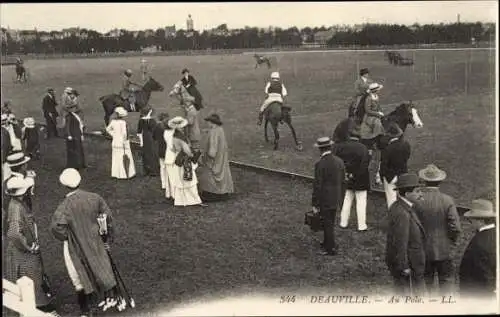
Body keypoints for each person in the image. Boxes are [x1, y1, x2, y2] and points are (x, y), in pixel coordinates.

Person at [51, 168, 119, 316]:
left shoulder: (64, 207)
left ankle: (87, 307)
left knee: (78, 273)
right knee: (101, 265)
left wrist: (70, 236)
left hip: (76, 245)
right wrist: (105, 235)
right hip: (96, 240)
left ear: (64, 185)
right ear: (79, 181)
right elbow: (107, 217)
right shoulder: (95, 198)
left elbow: (56, 228)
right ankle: (109, 296)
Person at [4, 175, 59, 316]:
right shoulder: (16, 208)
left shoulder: (15, 204)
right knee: (31, 275)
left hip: (22, 250)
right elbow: (14, 233)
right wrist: (28, 247)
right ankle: (39, 306)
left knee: (33, 275)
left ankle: (38, 303)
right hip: (23, 254)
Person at [412, 164, 462, 295]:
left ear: (423, 180)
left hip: (422, 249)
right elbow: (455, 227)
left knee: (425, 283)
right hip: (444, 249)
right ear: (440, 181)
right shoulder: (447, 200)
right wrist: (452, 241)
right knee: (446, 283)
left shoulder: (416, 200)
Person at [385, 173, 426, 296]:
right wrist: (404, 266)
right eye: (417, 191)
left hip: (412, 264)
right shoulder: (402, 213)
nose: (421, 194)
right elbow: (400, 243)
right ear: (407, 194)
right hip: (410, 266)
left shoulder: (401, 206)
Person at [311, 136, 345, 256]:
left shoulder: (320, 164)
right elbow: (343, 181)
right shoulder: (339, 161)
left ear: (320, 149)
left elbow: (318, 185)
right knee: (330, 221)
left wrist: (315, 203)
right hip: (336, 197)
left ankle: (330, 248)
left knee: (327, 223)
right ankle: (327, 242)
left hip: (325, 198)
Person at [335, 125, 371, 231]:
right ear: (359, 137)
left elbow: (338, 162)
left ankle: (343, 222)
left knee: (347, 200)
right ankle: (361, 225)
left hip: (346, 177)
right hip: (361, 178)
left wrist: (347, 174)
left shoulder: (341, 147)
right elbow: (365, 164)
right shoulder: (363, 148)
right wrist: (355, 174)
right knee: (361, 202)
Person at [459, 199, 496, 300]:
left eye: (471, 220)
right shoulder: (495, 234)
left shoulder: (479, 243)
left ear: (480, 221)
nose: (470, 224)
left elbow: (483, 274)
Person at [167, 116, 204, 207]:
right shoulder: (181, 138)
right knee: (189, 180)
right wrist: (194, 155)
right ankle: (194, 200)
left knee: (181, 179)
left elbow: (172, 148)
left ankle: (181, 200)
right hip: (185, 159)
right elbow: (187, 151)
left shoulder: (173, 136)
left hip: (178, 158)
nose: (183, 128)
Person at [197, 114, 234, 202]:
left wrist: (203, 156)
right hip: (221, 159)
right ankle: (223, 192)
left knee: (209, 175)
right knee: (222, 173)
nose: (207, 124)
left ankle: (212, 194)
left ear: (212, 123)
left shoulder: (213, 133)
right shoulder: (220, 130)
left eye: (208, 122)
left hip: (214, 161)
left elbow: (212, 153)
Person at [380, 123, 410, 209]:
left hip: (390, 176)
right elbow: (407, 157)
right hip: (403, 173)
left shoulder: (387, 149)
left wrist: (382, 176)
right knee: (403, 198)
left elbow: (384, 165)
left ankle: (393, 217)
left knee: (391, 199)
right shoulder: (406, 144)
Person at [106, 107, 136, 179]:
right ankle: (126, 174)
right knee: (126, 157)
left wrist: (114, 135)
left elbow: (107, 129)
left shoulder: (113, 122)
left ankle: (116, 174)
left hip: (115, 142)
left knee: (116, 158)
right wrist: (125, 141)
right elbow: (124, 134)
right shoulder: (123, 123)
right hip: (122, 143)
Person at [359, 82, 385, 150]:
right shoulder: (369, 98)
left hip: (376, 114)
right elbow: (367, 110)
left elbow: (378, 106)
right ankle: (374, 140)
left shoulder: (376, 96)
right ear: (375, 90)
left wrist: (381, 112)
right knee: (377, 124)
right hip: (370, 116)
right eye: (378, 89)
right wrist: (377, 114)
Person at [137, 107, 159, 176]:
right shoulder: (152, 121)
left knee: (146, 153)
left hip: (145, 137)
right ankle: (153, 170)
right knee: (152, 153)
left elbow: (139, 132)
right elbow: (156, 131)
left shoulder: (141, 120)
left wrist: (141, 142)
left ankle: (147, 170)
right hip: (151, 137)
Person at [64, 103, 86, 170]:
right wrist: (69, 135)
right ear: (69, 109)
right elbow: (67, 127)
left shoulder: (76, 115)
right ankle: (75, 165)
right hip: (73, 135)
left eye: (74, 108)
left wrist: (82, 133)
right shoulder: (69, 116)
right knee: (74, 150)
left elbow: (80, 125)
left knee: (79, 150)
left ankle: (81, 164)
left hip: (78, 134)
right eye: (72, 108)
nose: (74, 109)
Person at [153, 113, 169, 191]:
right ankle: (169, 183)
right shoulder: (168, 128)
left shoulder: (157, 127)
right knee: (168, 167)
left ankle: (164, 184)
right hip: (167, 150)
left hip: (160, 149)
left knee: (162, 167)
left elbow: (154, 137)